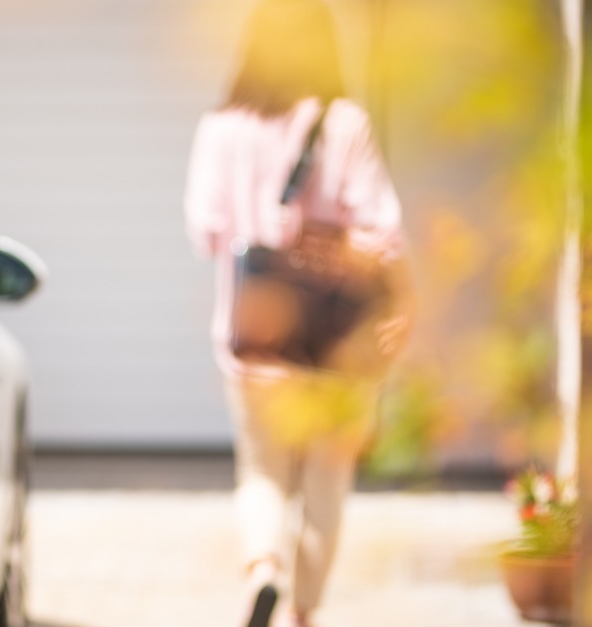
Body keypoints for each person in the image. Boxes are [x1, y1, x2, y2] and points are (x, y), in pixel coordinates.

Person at [183, 1, 412, 625]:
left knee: (260, 471)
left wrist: (258, 224)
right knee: (325, 485)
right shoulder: (346, 124)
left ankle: (263, 569)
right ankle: (303, 615)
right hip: (338, 340)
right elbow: (383, 235)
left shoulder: (222, 127)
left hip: (254, 335)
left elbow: (204, 232)